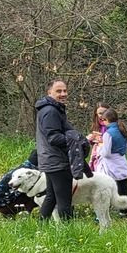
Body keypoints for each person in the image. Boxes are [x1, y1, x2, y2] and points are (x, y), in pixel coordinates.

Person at [34, 79, 83, 222]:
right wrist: (77, 140)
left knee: (52, 196)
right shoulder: (50, 111)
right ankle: (68, 231)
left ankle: (41, 226)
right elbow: (54, 138)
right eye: (58, 91)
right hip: (57, 161)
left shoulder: (52, 109)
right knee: (64, 200)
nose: (63, 94)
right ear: (49, 92)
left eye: (65, 91)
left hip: (50, 160)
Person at [96, 108, 127, 213]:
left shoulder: (108, 134)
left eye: (103, 120)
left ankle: (105, 209)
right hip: (121, 161)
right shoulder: (123, 130)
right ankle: (124, 210)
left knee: (107, 186)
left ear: (107, 120)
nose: (103, 122)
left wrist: (100, 146)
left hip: (111, 164)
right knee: (123, 186)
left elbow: (106, 153)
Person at [0, 149, 39, 217]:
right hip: (6, 205)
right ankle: (25, 213)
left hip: (1, 204)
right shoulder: (30, 172)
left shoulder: (23, 168)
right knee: (42, 189)